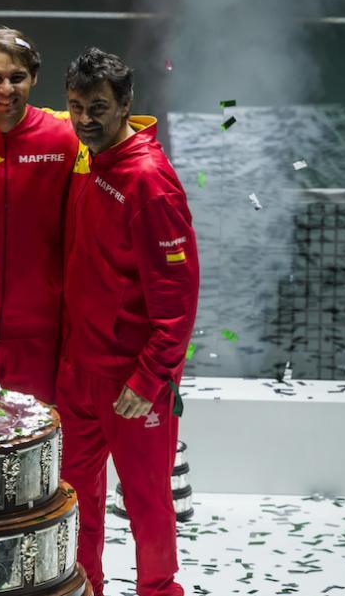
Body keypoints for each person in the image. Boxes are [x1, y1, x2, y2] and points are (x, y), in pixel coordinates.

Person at [57, 47, 199, 596]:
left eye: (98, 107)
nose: (85, 119)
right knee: (76, 500)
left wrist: (150, 377)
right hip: (80, 377)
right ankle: (84, 587)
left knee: (147, 503)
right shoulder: (90, 164)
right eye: (75, 106)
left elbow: (178, 299)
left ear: (125, 105)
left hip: (132, 387)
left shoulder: (149, 181)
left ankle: (160, 591)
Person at [0, 28, 78, 404]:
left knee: (32, 453)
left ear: (34, 78)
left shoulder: (64, 139)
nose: (5, 89)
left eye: (17, 78)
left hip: (39, 335)